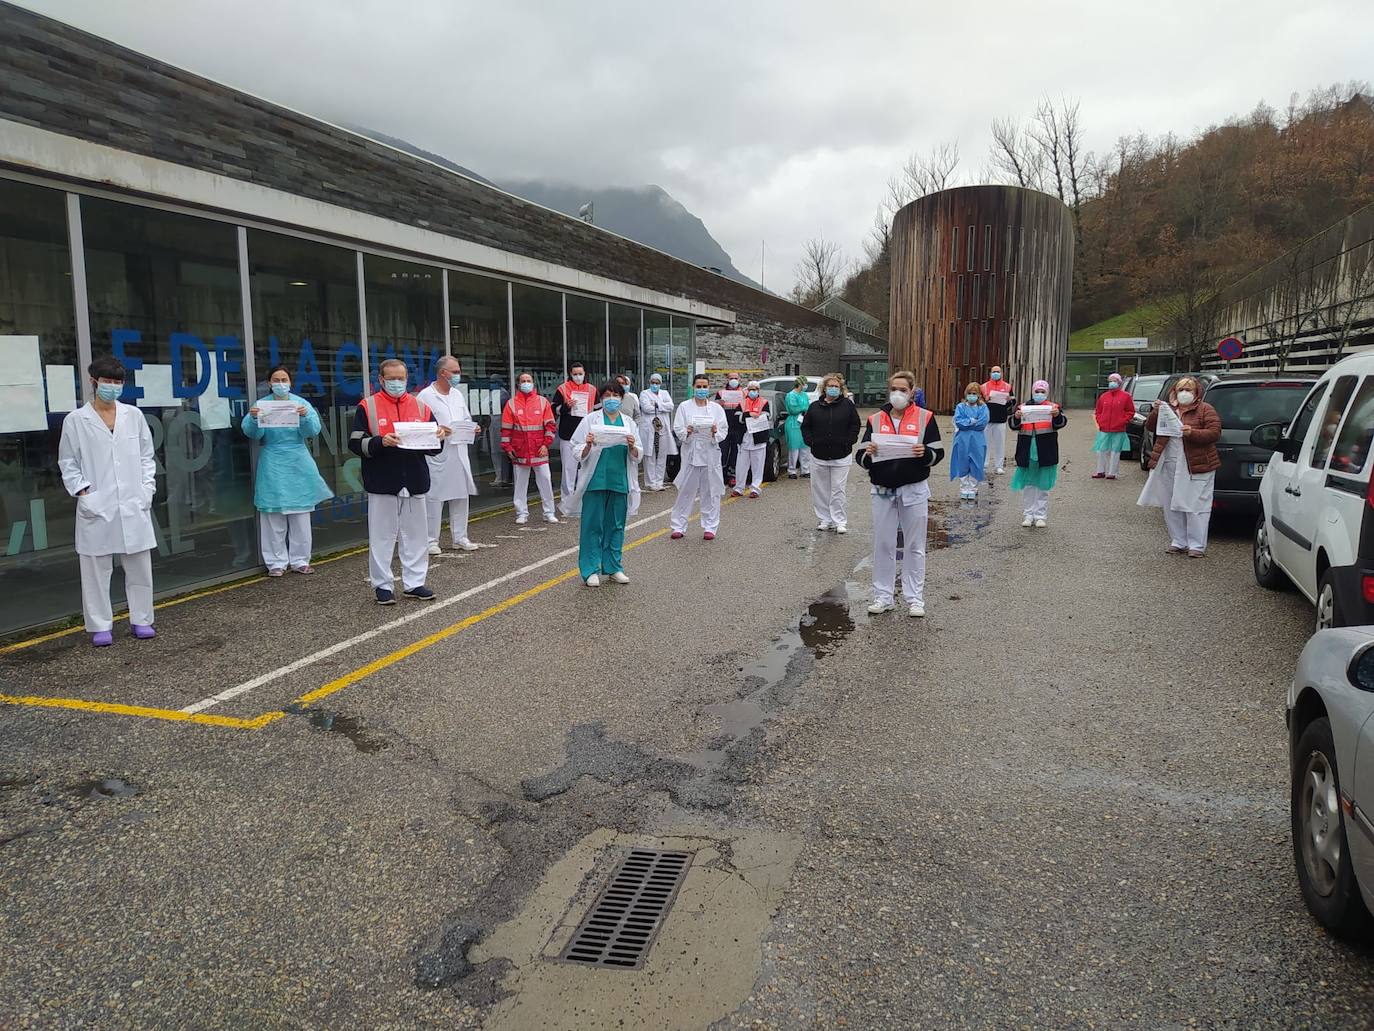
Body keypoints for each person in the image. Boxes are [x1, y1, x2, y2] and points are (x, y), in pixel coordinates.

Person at [58, 355, 158, 646]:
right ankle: (101, 626)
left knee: (139, 566)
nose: (112, 387)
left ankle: (142, 619)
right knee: (96, 569)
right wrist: (84, 492)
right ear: (93, 382)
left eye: (117, 382)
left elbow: (146, 456)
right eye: (107, 381)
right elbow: (68, 461)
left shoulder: (133, 416)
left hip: (132, 501)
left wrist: (146, 489)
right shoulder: (77, 420)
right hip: (96, 503)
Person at [349, 358, 448, 604]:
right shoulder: (367, 406)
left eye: (400, 378)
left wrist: (440, 436)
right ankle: (383, 586)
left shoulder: (421, 406)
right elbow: (354, 443)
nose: (396, 382)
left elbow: (434, 448)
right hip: (383, 481)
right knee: (382, 536)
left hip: (414, 479)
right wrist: (379, 442)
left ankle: (415, 583)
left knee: (416, 535)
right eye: (391, 378)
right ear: (381, 380)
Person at [856, 370, 944, 617]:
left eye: (902, 390)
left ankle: (915, 598)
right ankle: (883, 596)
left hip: (913, 489)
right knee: (883, 544)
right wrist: (869, 454)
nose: (897, 394)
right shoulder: (875, 419)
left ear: (912, 392)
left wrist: (924, 453)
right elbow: (860, 456)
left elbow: (937, 453)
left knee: (915, 545)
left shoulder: (925, 418)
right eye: (894, 389)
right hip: (883, 490)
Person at [241, 365, 333, 576]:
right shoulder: (262, 405)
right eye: (276, 380)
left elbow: (313, 431)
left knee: (300, 514)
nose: (280, 383)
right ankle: (275, 562)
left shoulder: (301, 403)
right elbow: (251, 434)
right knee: (273, 513)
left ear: (290, 382)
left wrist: (304, 417)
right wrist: (253, 418)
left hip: (298, 459)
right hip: (273, 460)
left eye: (284, 379)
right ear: (269, 383)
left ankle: (300, 560)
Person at [567, 380, 643, 586]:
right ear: (601, 399)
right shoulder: (591, 420)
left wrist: (633, 446)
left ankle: (613, 567)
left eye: (615, 395)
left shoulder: (628, 422)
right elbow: (576, 447)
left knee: (616, 525)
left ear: (621, 398)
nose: (611, 399)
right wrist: (588, 444)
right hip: (595, 480)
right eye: (607, 396)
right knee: (592, 525)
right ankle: (590, 569)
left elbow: (639, 454)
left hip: (619, 480)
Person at [1138, 376, 1222, 557]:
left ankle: (1196, 545)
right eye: (1181, 389)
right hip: (1169, 462)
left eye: (1188, 390)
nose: (1184, 393)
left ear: (1196, 393)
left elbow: (1214, 433)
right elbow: (1151, 427)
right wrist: (1155, 411)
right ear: (1174, 392)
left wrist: (1192, 433)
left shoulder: (1205, 409)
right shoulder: (1168, 409)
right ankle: (1178, 540)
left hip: (1196, 465)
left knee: (1195, 504)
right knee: (1171, 503)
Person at [417, 356, 482, 555]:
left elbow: (465, 418)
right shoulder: (425, 396)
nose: (457, 375)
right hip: (438, 454)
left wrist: (473, 428)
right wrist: (436, 431)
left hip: (459, 451)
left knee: (461, 496)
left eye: (458, 371)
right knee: (434, 498)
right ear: (442, 373)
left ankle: (460, 537)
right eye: (454, 372)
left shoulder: (457, 395)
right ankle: (430, 540)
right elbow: (419, 426)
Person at [801, 372, 862, 533]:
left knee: (838, 489)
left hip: (841, 455)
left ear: (841, 389)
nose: (833, 389)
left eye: (836, 386)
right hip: (818, 455)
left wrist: (848, 440)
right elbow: (806, 426)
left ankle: (839, 520)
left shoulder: (847, 405)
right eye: (830, 386)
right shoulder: (814, 406)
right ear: (824, 388)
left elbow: (855, 424)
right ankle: (824, 519)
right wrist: (811, 441)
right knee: (820, 489)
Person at [671, 374, 728, 540]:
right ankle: (678, 526)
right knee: (685, 491)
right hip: (691, 453)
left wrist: (715, 433)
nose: (701, 390)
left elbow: (724, 430)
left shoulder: (717, 409)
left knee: (711, 492)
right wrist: (686, 432)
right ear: (693, 387)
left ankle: (710, 526)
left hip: (710, 453)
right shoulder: (684, 407)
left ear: (709, 388)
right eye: (699, 386)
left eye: (704, 387)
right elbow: (678, 427)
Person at [1007, 379, 1067, 528]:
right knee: (1028, 485)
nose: (1039, 394)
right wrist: (1016, 417)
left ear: (1047, 393)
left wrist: (1057, 415)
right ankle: (1028, 514)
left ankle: (1040, 515)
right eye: (1037, 391)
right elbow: (1013, 426)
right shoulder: (1023, 407)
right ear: (1032, 392)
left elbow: (1061, 423)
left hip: (1045, 451)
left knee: (1043, 486)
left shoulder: (1053, 407)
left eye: (1043, 392)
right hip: (1027, 451)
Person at [501, 371, 558, 525]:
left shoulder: (542, 402)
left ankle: (549, 512)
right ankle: (521, 513)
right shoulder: (511, 403)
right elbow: (506, 429)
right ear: (518, 384)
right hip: (520, 450)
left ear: (533, 382)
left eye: (529, 380)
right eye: (523, 380)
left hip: (539, 449)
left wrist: (546, 444)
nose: (526, 383)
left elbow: (551, 426)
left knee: (545, 480)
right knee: (520, 483)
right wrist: (507, 447)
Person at [552, 361, 598, 512]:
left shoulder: (592, 389)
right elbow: (554, 409)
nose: (578, 376)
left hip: (587, 434)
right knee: (568, 470)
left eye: (580, 373)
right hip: (568, 434)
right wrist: (566, 407)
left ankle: (584, 499)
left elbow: (598, 410)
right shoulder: (562, 389)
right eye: (575, 374)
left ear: (585, 374)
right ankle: (567, 502)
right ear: (570, 374)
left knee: (587, 468)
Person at [731, 380, 772, 498]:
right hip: (744, 437)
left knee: (758, 465)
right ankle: (739, 488)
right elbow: (736, 417)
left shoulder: (764, 402)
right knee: (741, 465)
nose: (752, 392)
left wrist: (753, 416)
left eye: (755, 389)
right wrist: (749, 415)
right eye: (750, 389)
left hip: (758, 438)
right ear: (747, 391)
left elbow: (766, 416)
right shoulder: (742, 403)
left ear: (758, 391)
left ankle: (755, 488)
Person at [950, 382, 990, 500]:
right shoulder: (960, 407)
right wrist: (971, 421)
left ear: (979, 395)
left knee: (976, 462)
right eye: (969, 393)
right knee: (962, 462)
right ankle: (964, 487)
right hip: (962, 439)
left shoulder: (983, 407)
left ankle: (973, 487)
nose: (972, 395)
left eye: (974, 393)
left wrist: (968, 422)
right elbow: (958, 421)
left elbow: (982, 423)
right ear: (966, 394)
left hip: (977, 440)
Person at [1092, 372, 1135, 480]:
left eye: (1114, 381)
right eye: (1110, 381)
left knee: (1115, 451)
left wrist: (1123, 421)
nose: (1112, 383)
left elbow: (1130, 411)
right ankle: (1100, 471)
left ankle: (1112, 472)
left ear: (1119, 383)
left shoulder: (1126, 396)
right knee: (1101, 450)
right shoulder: (1104, 396)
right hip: (1104, 428)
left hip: (1118, 429)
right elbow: (1098, 411)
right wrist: (1100, 420)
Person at [637, 372, 676, 491]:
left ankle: (659, 481)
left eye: (657, 383)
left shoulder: (665, 393)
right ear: (650, 383)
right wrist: (662, 408)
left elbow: (671, 406)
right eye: (653, 382)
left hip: (662, 428)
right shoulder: (644, 393)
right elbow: (646, 408)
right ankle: (650, 482)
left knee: (662, 455)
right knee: (650, 455)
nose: (655, 385)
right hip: (649, 428)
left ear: (660, 384)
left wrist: (657, 405)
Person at [980, 366, 1015, 474]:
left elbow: (1012, 402)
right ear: (990, 373)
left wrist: (1009, 400)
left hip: (1000, 419)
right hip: (986, 419)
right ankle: (984, 465)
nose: (996, 373)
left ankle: (998, 466)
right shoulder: (984, 386)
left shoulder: (1007, 386)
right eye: (994, 372)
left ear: (1002, 373)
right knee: (985, 443)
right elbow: (978, 401)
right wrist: (985, 400)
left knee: (1000, 443)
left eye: (998, 372)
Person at [715, 373, 746, 487]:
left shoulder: (744, 393)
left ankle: (732, 476)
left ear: (739, 379)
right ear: (727, 380)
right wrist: (720, 404)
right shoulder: (720, 393)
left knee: (735, 452)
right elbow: (716, 409)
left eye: (735, 378)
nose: (733, 380)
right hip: (724, 427)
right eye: (731, 378)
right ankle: (721, 475)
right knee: (722, 451)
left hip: (738, 427)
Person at [486, 373, 512, 487]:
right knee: (494, 451)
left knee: (500, 451)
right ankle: (498, 475)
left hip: (499, 422)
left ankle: (503, 476)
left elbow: (492, 406)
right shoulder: (491, 394)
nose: (492, 384)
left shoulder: (503, 394)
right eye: (491, 382)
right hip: (492, 423)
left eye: (494, 382)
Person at [783, 377, 811, 478]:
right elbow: (793, 408)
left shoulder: (804, 395)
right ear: (800, 384)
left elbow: (808, 406)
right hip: (794, 423)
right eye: (805, 384)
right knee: (793, 448)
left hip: (804, 421)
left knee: (805, 446)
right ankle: (792, 470)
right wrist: (803, 409)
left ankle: (805, 469)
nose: (806, 386)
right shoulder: (791, 395)